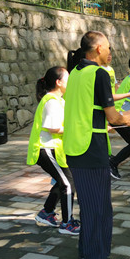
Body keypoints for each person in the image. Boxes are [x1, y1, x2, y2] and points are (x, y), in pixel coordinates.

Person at [64, 31, 130, 259]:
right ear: (97, 48)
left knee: (89, 207)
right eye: (108, 47)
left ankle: (88, 253)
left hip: (75, 147)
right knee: (100, 210)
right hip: (92, 148)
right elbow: (114, 117)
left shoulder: (75, 72)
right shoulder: (98, 73)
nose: (110, 52)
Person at [28, 66, 80, 235]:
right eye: (68, 79)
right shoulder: (50, 101)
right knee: (67, 183)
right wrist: (75, 129)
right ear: (59, 83)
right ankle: (67, 223)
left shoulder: (60, 100)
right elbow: (53, 128)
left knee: (64, 181)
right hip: (46, 149)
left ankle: (47, 213)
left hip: (55, 149)